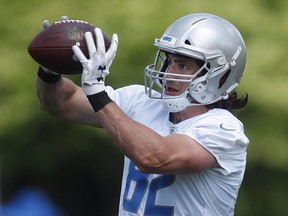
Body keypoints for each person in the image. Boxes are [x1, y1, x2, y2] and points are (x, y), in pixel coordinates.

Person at [35, 13, 249, 216]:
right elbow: (61, 103)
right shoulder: (140, 101)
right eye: (168, 61)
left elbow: (155, 158)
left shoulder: (224, 129)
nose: (168, 73)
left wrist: (97, 91)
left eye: (183, 65)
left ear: (219, 75)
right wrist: (51, 69)